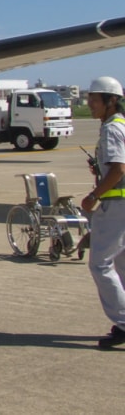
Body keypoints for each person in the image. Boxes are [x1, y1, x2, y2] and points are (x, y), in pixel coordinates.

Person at [81, 75, 125, 349]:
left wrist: (94, 196)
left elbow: (120, 169)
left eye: (94, 100)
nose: (90, 105)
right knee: (121, 265)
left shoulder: (112, 128)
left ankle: (123, 322)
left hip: (116, 206)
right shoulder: (120, 124)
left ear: (110, 102)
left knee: (99, 264)